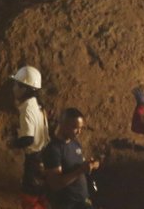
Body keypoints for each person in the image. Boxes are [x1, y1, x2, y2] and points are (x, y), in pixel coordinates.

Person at [8, 66, 49, 209]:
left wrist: (13, 143)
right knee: (42, 197)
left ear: (24, 89)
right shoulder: (38, 104)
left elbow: (28, 139)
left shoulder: (27, 108)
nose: (13, 88)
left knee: (29, 199)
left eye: (16, 85)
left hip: (34, 160)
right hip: (44, 156)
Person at [43, 108, 100, 209]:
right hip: (67, 204)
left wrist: (91, 165)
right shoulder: (53, 150)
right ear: (63, 125)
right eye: (75, 127)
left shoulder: (75, 143)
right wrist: (81, 170)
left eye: (81, 128)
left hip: (81, 201)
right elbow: (55, 184)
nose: (79, 132)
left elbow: (77, 165)